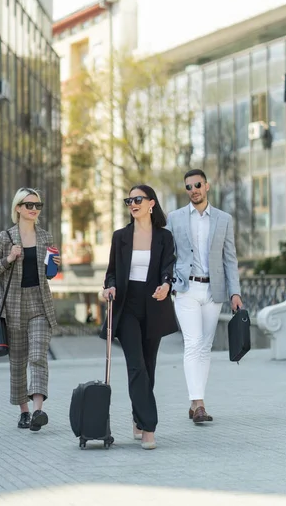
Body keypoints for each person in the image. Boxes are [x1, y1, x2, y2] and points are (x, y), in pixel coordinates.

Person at [102, 184, 177, 450]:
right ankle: (148, 428)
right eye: (129, 200)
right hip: (127, 305)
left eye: (137, 199)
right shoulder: (120, 236)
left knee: (149, 366)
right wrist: (109, 286)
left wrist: (166, 286)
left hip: (154, 303)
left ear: (151, 203)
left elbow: (169, 268)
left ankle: (137, 415)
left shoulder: (164, 237)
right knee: (136, 366)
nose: (132, 204)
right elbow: (111, 272)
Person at [166, 169, 243, 424]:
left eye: (197, 185)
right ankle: (199, 404)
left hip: (214, 290)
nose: (193, 190)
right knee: (193, 342)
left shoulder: (223, 219)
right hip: (186, 289)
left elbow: (230, 259)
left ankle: (194, 401)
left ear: (207, 186)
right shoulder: (175, 218)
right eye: (188, 187)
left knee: (205, 347)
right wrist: (166, 283)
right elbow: (167, 254)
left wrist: (235, 292)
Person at [0, 187, 61, 431]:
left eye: (38, 206)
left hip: (39, 302)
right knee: (18, 363)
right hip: (14, 306)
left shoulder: (45, 237)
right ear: (18, 208)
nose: (34, 210)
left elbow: (49, 274)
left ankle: (39, 411)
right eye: (29, 205)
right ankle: (24, 412)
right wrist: (8, 259)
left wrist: (55, 266)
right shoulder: (5, 238)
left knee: (38, 356)